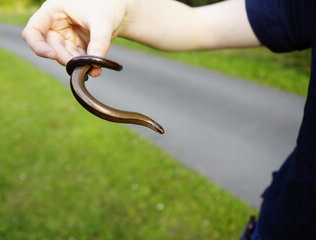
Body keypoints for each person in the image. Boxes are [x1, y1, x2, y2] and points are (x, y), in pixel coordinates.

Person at [22, 0, 316, 239]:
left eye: (156, 126)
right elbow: (199, 26)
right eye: (155, 126)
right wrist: (119, 9)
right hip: (283, 225)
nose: (156, 128)